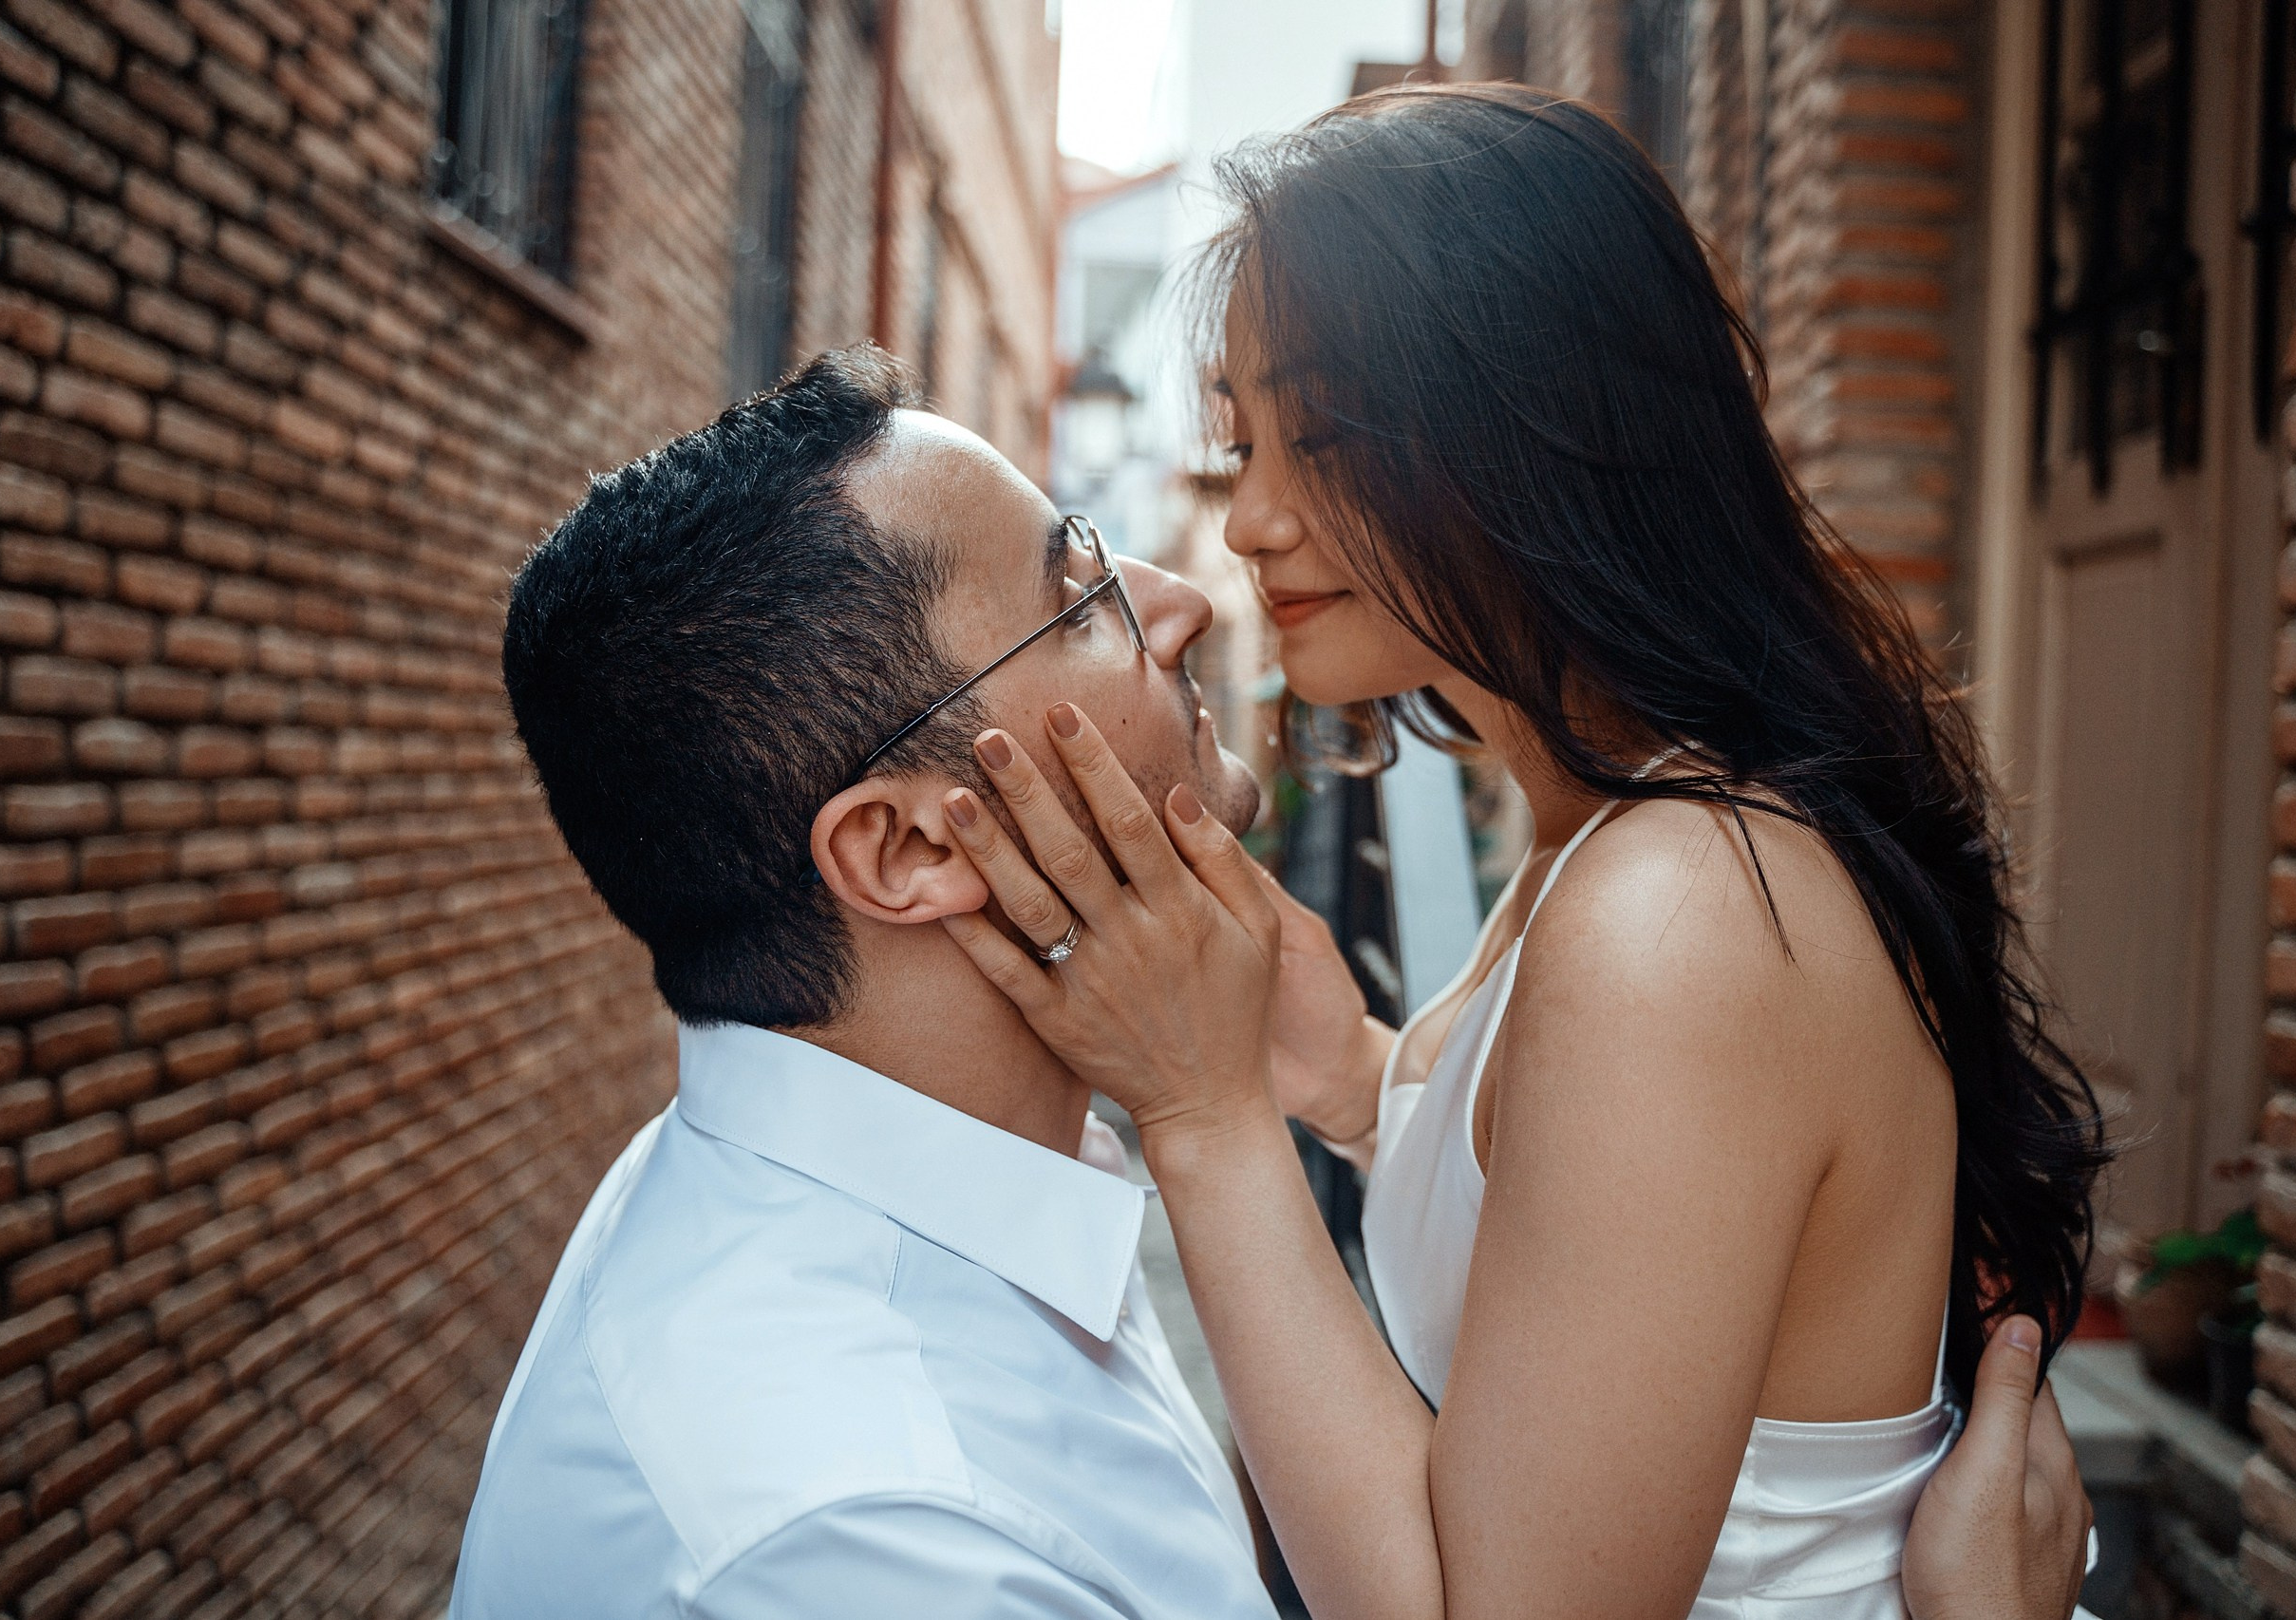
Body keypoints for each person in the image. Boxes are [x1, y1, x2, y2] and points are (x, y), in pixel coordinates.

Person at [448, 347, 2093, 1619]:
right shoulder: (863, 1529)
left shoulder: (941, 1167)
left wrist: (1345, 1092)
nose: (1185, 594)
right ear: (908, 847)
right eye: (1082, 590)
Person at [932, 85, 2109, 1620]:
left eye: (1324, 433)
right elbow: (1587, 1223)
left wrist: (1203, 1112)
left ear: (1542, 423)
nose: (1255, 521)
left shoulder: (1676, 911)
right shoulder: (1608, 836)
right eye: (1245, 439)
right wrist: (1354, 1080)